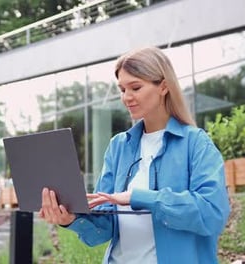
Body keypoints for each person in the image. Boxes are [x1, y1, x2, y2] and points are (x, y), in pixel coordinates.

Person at [39, 46, 231, 263]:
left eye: (135, 87)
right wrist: (70, 219)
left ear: (164, 87)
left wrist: (138, 197)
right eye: (122, 89)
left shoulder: (195, 143)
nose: (126, 97)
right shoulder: (118, 147)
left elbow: (212, 213)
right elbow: (104, 228)